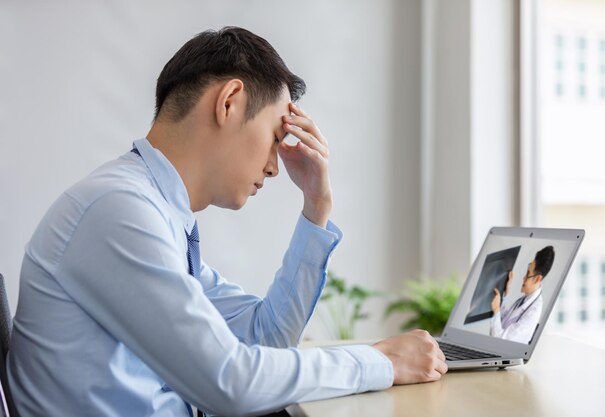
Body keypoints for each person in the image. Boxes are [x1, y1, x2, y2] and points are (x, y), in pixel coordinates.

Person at [7, 27, 447, 417]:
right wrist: (381, 363)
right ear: (230, 102)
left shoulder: (155, 216)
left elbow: (266, 338)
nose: (276, 167)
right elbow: (228, 382)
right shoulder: (118, 211)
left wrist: (317, 205)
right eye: (277, 138)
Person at [490, 246, 555, 344]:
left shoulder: (533, 313)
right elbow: (505, 322)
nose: (523, 278)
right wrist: (505, 294)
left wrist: (496, 310)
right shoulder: (526, 299)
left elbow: (500, 342)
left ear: (538, 279)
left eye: (528, 274)